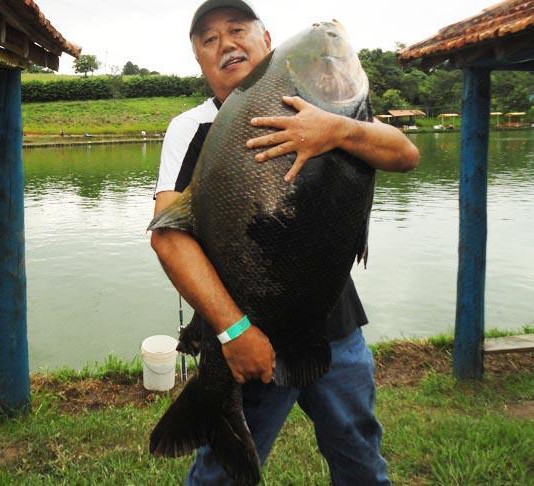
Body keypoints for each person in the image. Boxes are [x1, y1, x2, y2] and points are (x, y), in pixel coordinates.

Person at [151, 1, 420, 484]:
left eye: (237, 30)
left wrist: (335, 128)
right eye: (209, 39)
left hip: (336, 324)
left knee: (360, 458)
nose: (226, 43)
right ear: (198, 60)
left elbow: (405, 154)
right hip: (246, 334)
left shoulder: (333, 106)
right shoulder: (189, 127)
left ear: (267, 41)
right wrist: (234, 333)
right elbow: (169, 238)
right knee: (220, 476)